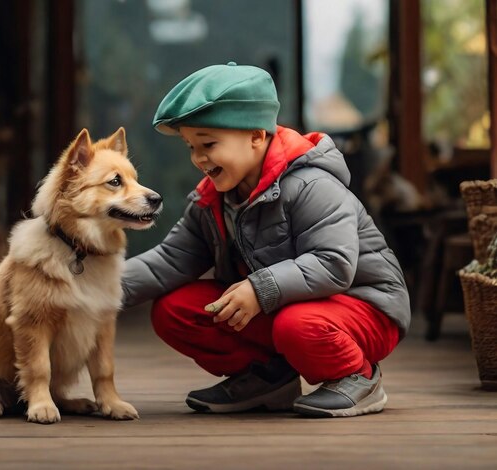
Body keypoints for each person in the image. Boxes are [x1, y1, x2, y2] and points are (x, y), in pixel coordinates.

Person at [121, 62, 410, 418]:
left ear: (256, 136)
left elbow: (334, 264)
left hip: (362, 308)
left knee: (297, 325)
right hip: (286, 306)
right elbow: (170, 260)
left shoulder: (310, 185)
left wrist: (260, 288)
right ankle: (270, 378)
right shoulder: (213, 199)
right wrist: (94, 287)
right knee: (175, 310)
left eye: (208, 144)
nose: (198, 158)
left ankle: (357, 376)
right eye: (190, 146)